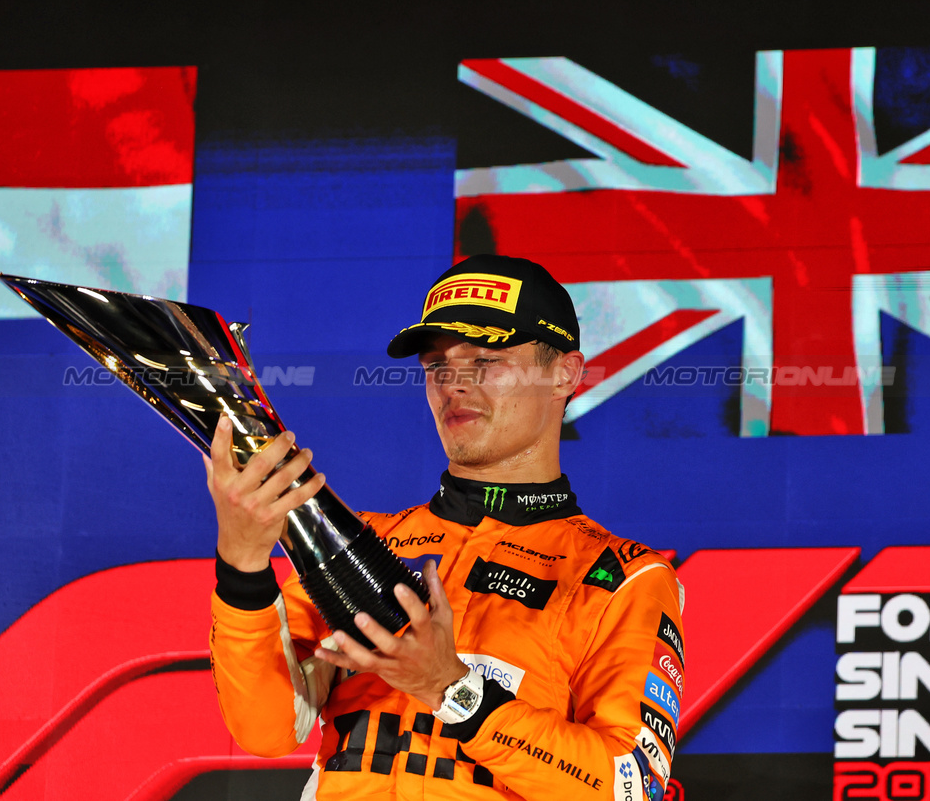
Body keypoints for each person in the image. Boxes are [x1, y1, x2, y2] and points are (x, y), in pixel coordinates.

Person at [204, 254, 685, 801]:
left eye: (484, 361)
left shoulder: (622, 577)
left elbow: (631, 785)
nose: (453, 384)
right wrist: (241, 567)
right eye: (437, 366)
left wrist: (451, 689)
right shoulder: (362, 541)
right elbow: (266, 730)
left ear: (564, 373)